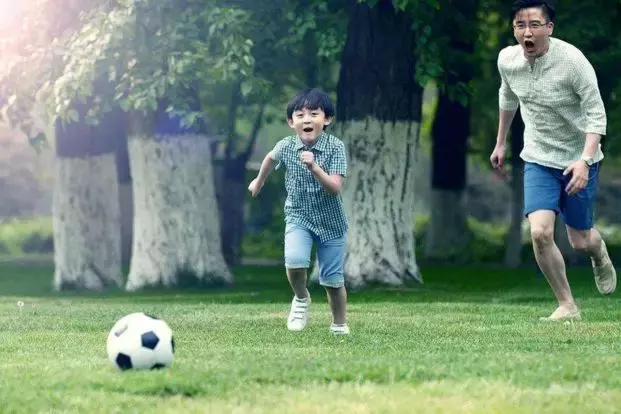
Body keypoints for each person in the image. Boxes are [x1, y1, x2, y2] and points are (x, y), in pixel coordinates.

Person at [491, 0, 617, 321]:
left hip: (579, 159)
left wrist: (585, 161)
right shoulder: (508, 59)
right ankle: (567, 305)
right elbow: (507, 97)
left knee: (580, 240)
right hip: (537, 157)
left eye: (535, 24)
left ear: (549, 27)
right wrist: (501, 142)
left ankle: (599, 254)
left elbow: (596, 116)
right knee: (540, 233)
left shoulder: (573, 62)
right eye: (520, 25)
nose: (527, 32)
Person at [248, 88, 350, 335]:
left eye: (314, 113)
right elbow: (270, 159)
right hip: (298, 216)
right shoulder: (286, 146)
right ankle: (301, 299)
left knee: (332, 280)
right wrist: (258, 181)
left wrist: (314, 167)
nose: (306, 119)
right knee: (294, 262)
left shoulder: (335, 147)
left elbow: (335, 188)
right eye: (300, 114)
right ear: (291, 122)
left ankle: (339, 325)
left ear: (326, 120)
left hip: (331, 222)